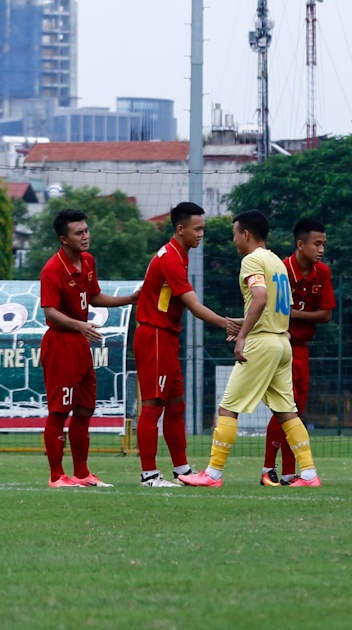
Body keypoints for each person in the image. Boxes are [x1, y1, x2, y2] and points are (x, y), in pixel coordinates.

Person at [183, 211, 321, 488]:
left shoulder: (252, 260)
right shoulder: (277, 262)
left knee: (228, 408)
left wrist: (243, 335)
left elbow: (260, 298)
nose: (234, 240)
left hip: (262, 342)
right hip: (283, 342)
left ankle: (212, 474)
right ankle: (308, 475)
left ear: (245, 234)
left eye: (235, 234)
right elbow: (274, 307)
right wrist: (240, 322)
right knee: (286, 411)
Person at [132, 202, 239, 487]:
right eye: (198, 228)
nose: (201, 233)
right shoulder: (170, 258)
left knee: (176, 404)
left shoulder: (180, 254)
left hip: (167, 336)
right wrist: (224, 322)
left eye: (203, 227)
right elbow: (192, 304)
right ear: (180, 229)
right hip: (154, 335)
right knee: (153, 404)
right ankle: (149, 475)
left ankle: (181, 470)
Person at [39, 208, 135, 488]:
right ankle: (57, 476)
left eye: (86, 230)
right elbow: (49, 311)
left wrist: (129, 298)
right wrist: (79, 325)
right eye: (78, 232)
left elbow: (94, 297)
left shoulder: (88, 261)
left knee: (84, 409)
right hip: (60, 343)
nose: (85, 236)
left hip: (81, 345)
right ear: (63, 239)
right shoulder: (52, 269)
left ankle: (81, 473)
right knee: (59, 410)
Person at [263, 218, 332, 487]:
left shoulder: (322, 273)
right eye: (317, 244)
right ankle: (268, 468)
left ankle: (290, 472)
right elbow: (268, 308)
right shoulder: (279, 270)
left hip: (300, 348)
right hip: (278, 345)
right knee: (283, 408)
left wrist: (293, 314)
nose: (321, 249)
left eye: (324, 244)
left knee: (295, 410)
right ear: (300, 245)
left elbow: (325, 315)